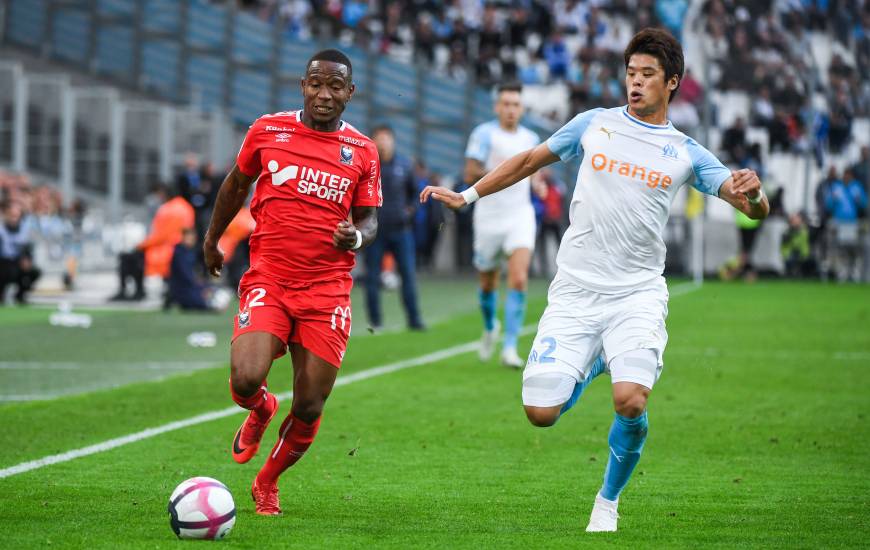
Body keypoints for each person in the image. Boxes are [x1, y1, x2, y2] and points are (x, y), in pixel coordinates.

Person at [421, 28, 769, 532]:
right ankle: (594, 361)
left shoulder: (685, 151)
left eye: (648, 75)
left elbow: (752, 209)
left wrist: (754, 195)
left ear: (671, 83)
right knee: (540, 411)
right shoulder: (593, 124)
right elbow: (526, 161)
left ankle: (607, 500)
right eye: (631, 73)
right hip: (576, 292)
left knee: (630, 399)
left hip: (637, 294)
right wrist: (468, 195)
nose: (636, 82)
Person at [202, 49, 381, 516]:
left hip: (327, 290)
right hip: (271, 279)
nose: (324, 94)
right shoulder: (267, 130)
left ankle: (267, 482)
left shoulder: (363, 151)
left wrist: (356, 236)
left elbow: (369, 219)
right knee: (244, 378)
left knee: (309, 405)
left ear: (350, 92)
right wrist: (212, 239)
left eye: (335, 86)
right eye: (316, 84)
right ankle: (260, 409)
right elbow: (234, 187)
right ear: (303, 85)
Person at [464, 82, 542, 368]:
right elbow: (470, 171)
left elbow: (535, 172)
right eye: (506, 104)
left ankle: (509, 347)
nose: (511, 109)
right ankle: (489, 327)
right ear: (497, 106)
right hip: (488, 217)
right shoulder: (484, 134)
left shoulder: (531, 137)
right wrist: (505, 171)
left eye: (515, 104)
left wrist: (539, 185)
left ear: (521, 109)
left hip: (520, 215)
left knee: (518, 278)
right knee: (487, 282)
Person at [363, 125, 425, 331]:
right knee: (371, 278)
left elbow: (416, 194)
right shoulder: (367, 166)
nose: (383, 142)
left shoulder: (405, 166)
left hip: (401, 230)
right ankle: (375, 322)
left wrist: (410, 211)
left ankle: (414, 320)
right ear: (372, 141)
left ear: (393, 141)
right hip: (374, 231)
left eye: (386, 138)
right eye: (378, 138)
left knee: (408, 275)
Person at [110, 185, 194, 301]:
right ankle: (137, 290)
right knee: (132, 257)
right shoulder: (185, 207)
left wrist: (141, 245)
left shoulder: (169, 209)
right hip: (178, 248)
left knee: (128, 257)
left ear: (163, 193)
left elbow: (160, 236)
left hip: (166, 249)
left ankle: (134, 290)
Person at [0, 201, 40, 304]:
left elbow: (28, 248)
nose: (14, 218)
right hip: (3, 263)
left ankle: (20, 294)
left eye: (16, 216)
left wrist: (27, 259)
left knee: (34, 271)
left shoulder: (24, 230)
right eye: (11, 215)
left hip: (17, 262)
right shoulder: (1, 230)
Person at [167, 228, 211, 310]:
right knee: (205, 304)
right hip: (182, 288)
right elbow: (185, 275)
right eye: (189, 238)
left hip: (190, 286)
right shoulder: (179, 252)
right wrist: (201, 287)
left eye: (193, 238)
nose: (191, 240)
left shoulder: (192, 252)